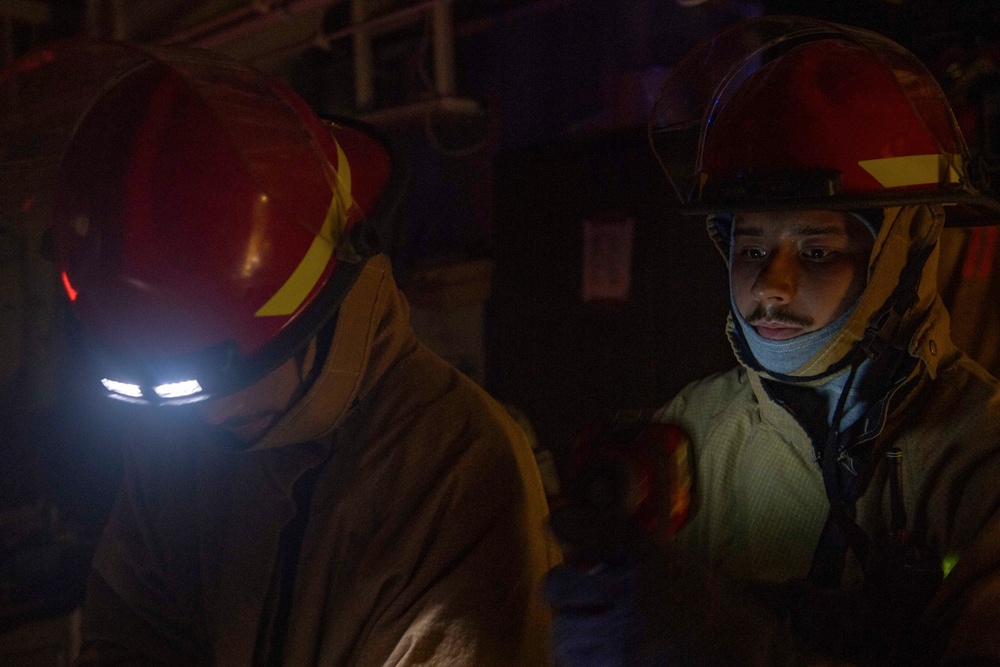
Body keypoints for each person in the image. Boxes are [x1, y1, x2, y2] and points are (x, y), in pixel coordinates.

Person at [6, 38, 560, 665]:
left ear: (319, 305)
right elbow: (127, 635)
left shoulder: (456, 470)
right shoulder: (178, 443)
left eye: (216, 379)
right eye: (163, 390)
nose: (205, 416)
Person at [545, 16, 1000, 667]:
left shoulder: (978, 457)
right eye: (752, 248)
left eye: (816, 250)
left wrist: (730, 641)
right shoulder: (693, 432)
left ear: (904, 252)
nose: (771, 285)